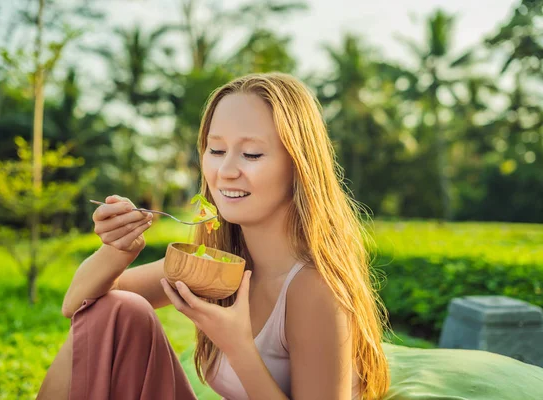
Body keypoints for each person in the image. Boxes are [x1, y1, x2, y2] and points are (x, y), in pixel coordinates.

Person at [37, 72, 391, 400]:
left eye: (251, 153)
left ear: (299, 165)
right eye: (216, 150)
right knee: (118, 309)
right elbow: (79, 307)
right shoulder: (216, 263)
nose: (225, 171)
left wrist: (238, 347)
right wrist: (118, 251)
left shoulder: (314, 288)